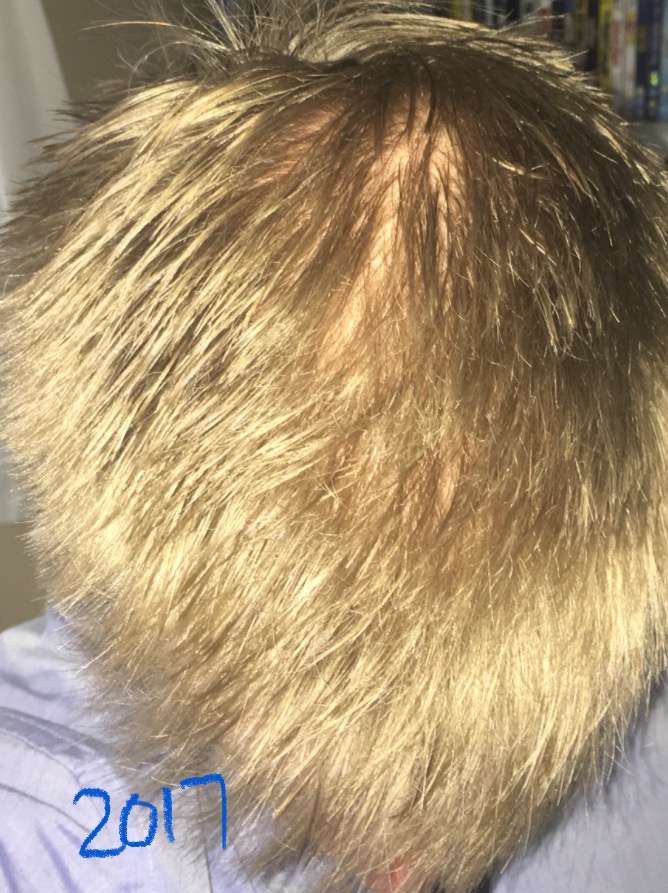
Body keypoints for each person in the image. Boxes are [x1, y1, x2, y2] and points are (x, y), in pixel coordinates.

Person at [1, 1, 667, 891]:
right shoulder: (37, 822)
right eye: (310, 775)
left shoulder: (632, 688)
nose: (402, 869)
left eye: (472, 778)